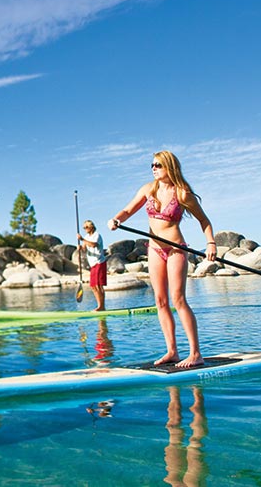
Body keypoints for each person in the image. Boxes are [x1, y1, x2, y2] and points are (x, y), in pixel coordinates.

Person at [108, 150, 216, 368]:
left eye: (158, 165)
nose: (154, 168)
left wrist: (211, 243)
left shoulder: (182, 193)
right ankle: (172, 351)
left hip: (176, 250)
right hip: (155, 250)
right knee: (160, 301)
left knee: (178, 299)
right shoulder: (148, 189)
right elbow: (128, 210)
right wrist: (116, 219)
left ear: (170, 167)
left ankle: (195, 353)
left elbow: (204, 220)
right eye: (152, 165)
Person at [77, 219, 107, 311]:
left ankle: (102, 306)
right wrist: (80, 248)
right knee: (93, 286)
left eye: (86, 227)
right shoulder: (86, 236)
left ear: (91, 227)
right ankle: (100, 306)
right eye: (83, 228)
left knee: (99, 285)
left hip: (99, 262)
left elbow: (93, 245)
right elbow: (84, 248)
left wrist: (82, 239)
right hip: (92, 264)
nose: (85, 229)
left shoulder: (97, 235)